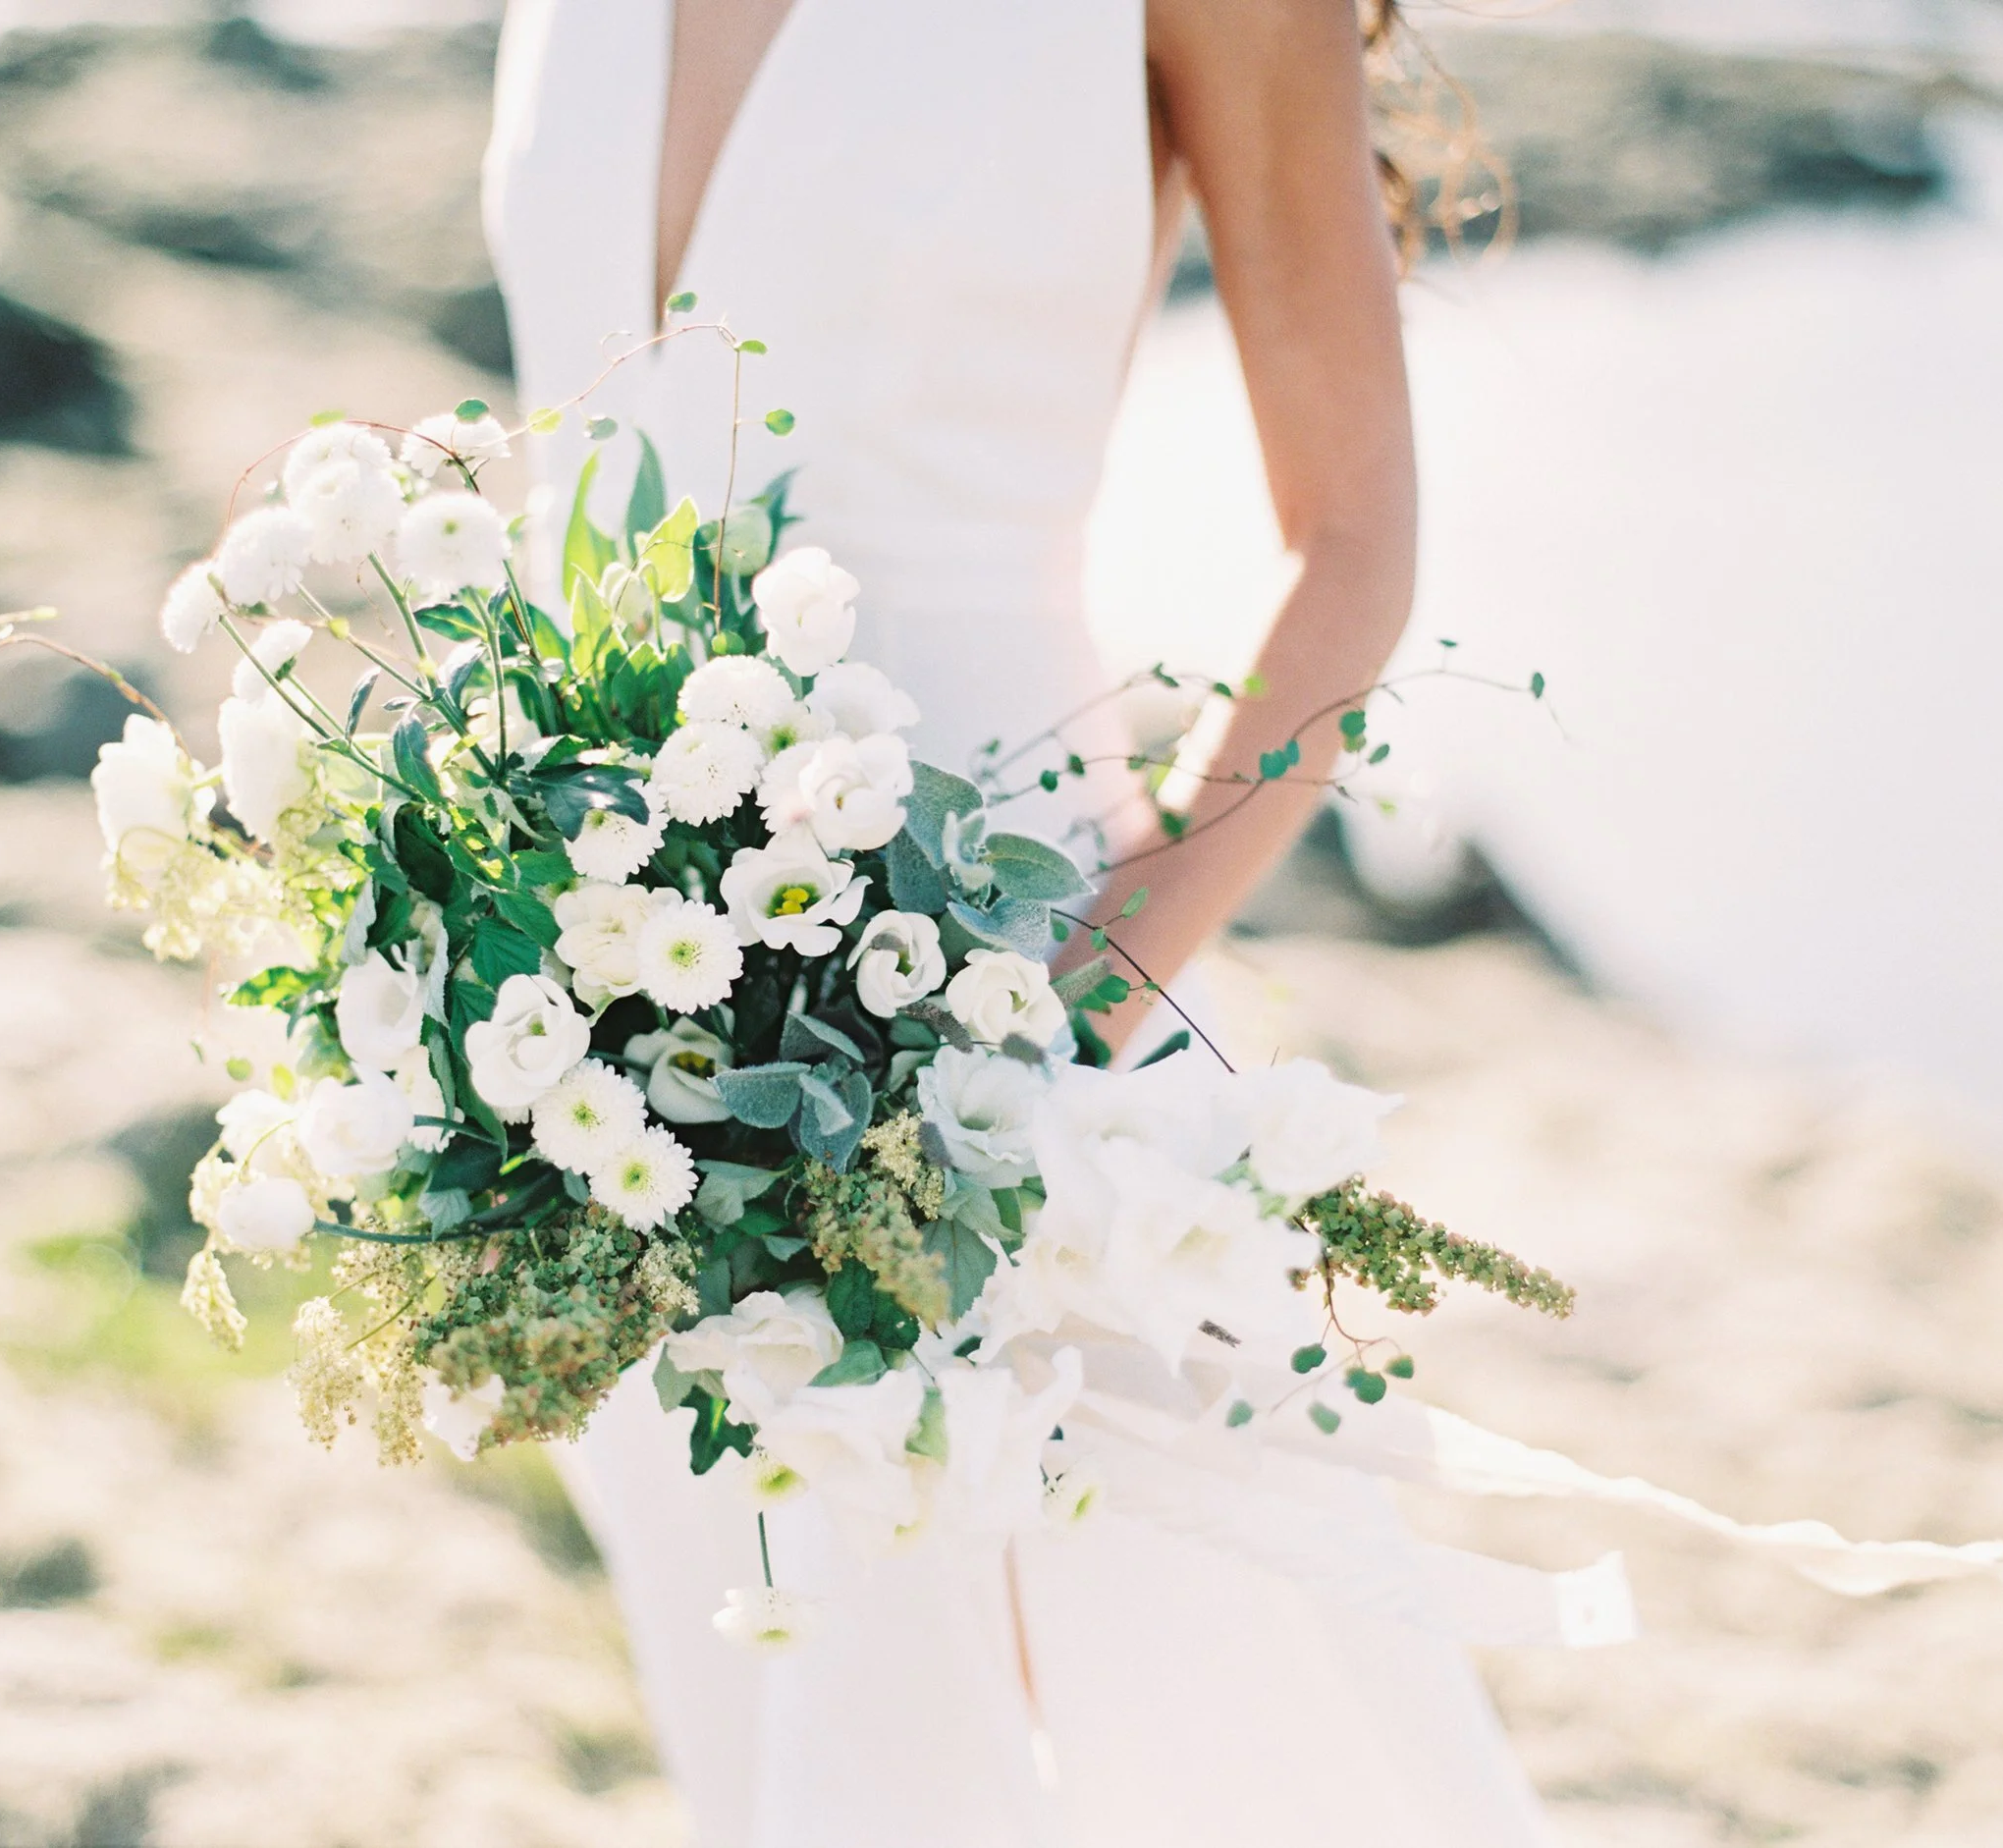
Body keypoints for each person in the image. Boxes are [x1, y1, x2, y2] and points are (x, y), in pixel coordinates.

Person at [483, 2, 1552, 1840]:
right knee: (755, 1709)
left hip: (991, 990)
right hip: (598, 1018)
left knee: (1155, 1714)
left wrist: (1079, 997)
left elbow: (1354, 540)